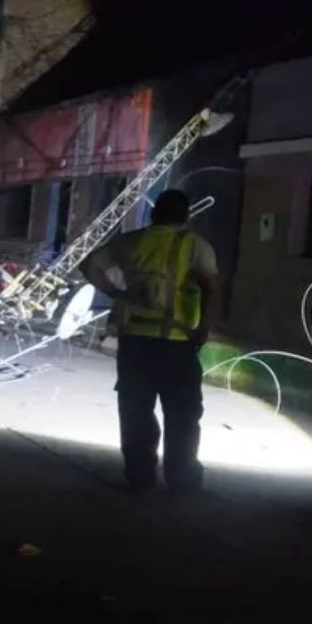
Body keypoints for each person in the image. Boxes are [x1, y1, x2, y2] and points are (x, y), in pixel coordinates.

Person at [80, 190, 222, 494]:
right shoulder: (196, 246)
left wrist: (118, 294)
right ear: (186, 217)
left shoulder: (130, 242)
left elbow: (89, 266)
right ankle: (182, 479)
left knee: (135, 411)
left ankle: (140, 476)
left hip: (135, 343)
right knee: (182, 415)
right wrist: (204, 330)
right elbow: (211, 289)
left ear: (154, 213)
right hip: (177, 342)